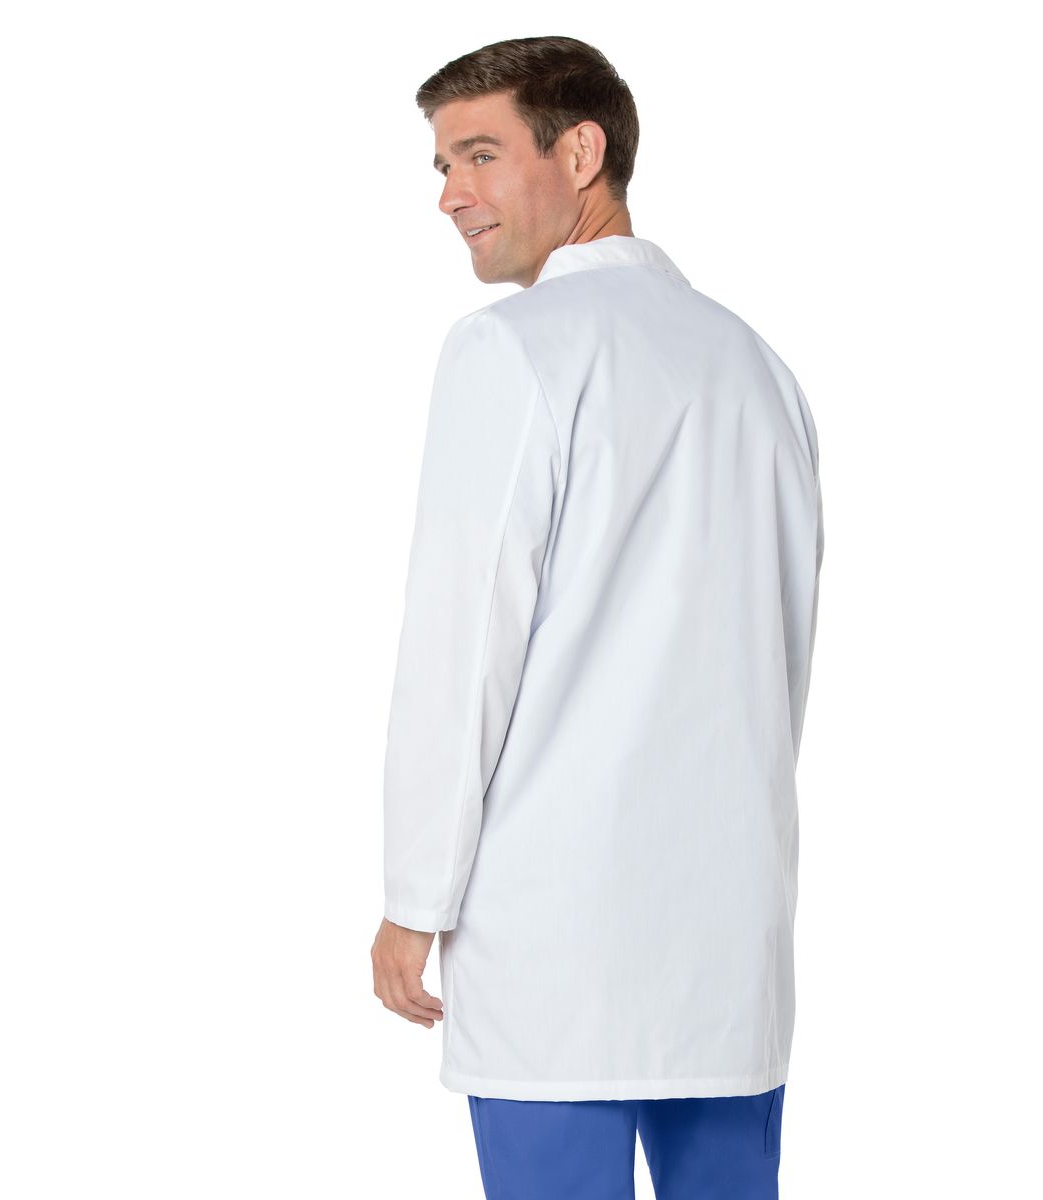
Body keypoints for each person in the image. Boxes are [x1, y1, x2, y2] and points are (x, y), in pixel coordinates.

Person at [371, 35, 824, 1200]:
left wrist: (415, 898)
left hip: (556, 939)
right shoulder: (758, 367)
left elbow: (460, 647)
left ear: (581, 153)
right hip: (731, 939)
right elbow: (784, 655)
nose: (450, 193)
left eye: (480, 154)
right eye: (441, 164)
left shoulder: (512, 350)